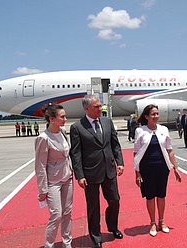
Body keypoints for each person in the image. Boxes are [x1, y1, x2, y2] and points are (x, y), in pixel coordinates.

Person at [70, 95, 124, 248]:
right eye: (97, 107)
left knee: (115, 200)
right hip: (90, 173)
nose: (101, 109)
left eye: (101, 106)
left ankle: (112, 227)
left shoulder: (107, 122)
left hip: (109, 170)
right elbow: (76, 153)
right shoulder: (77, 127)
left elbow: (115, 144)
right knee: (93, 207)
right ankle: (96, 237)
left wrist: (119, 162)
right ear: (87, 108)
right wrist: (79, 175)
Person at [133, 104, 182, 236]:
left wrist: (175, 168)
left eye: (157, 114)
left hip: (162, 168)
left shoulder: (164, 129)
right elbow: (136, 154)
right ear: (146, 116)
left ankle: (162, 221)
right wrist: (137, 173)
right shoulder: (140, 131)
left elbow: (170, 150)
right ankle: (152, 222)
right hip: (146, 168)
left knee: (161, 195)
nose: (156, 116)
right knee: (150, 196)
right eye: (153, 114)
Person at [34, 104, 73, 248]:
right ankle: (49, 245)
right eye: (62, 117)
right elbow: (40, 165)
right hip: (53, 182)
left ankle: (67, 243)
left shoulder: (63, 132)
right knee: (56, 214)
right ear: (52, 119)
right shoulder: (43, 138)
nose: (65, 119)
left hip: (67, 178)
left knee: (67, 212)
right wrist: (42, 189)